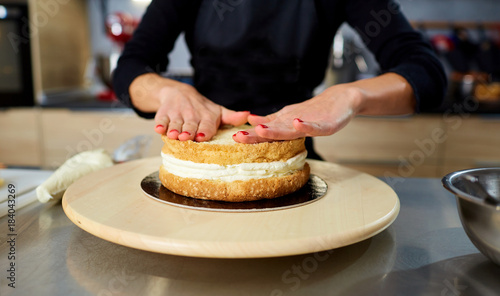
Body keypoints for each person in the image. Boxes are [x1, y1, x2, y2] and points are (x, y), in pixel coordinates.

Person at [113, 0, 447, 160]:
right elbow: (131, 66)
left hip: (293, 158)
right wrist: (168, 91)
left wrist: (350, 95)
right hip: (203, 155)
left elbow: (426, 73)